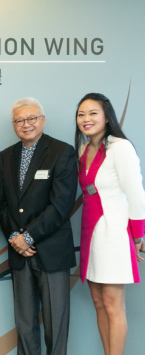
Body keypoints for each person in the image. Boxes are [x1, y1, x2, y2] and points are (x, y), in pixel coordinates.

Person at [0, 97, 77, 355]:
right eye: (19, 120)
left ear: (42, 120)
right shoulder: (5, 156)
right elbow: (3, 204)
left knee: (56, 323)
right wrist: (13, 236)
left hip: (51, 250)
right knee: (24, 323)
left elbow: (61, 205)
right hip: (18, 252)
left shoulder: (61, 152)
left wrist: (28, 237)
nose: (26, 124)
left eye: (31, 119)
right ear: (13, 125)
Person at [75, 92, 145, 355]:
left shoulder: (120, 147)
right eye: (81, 114)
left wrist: (138, 236)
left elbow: (136, 194)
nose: (86, 119)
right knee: (99, 302)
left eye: (93, 113)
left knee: (114, 305)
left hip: (114, 232)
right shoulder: (84, 148)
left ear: (107, 117)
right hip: (90, 232)